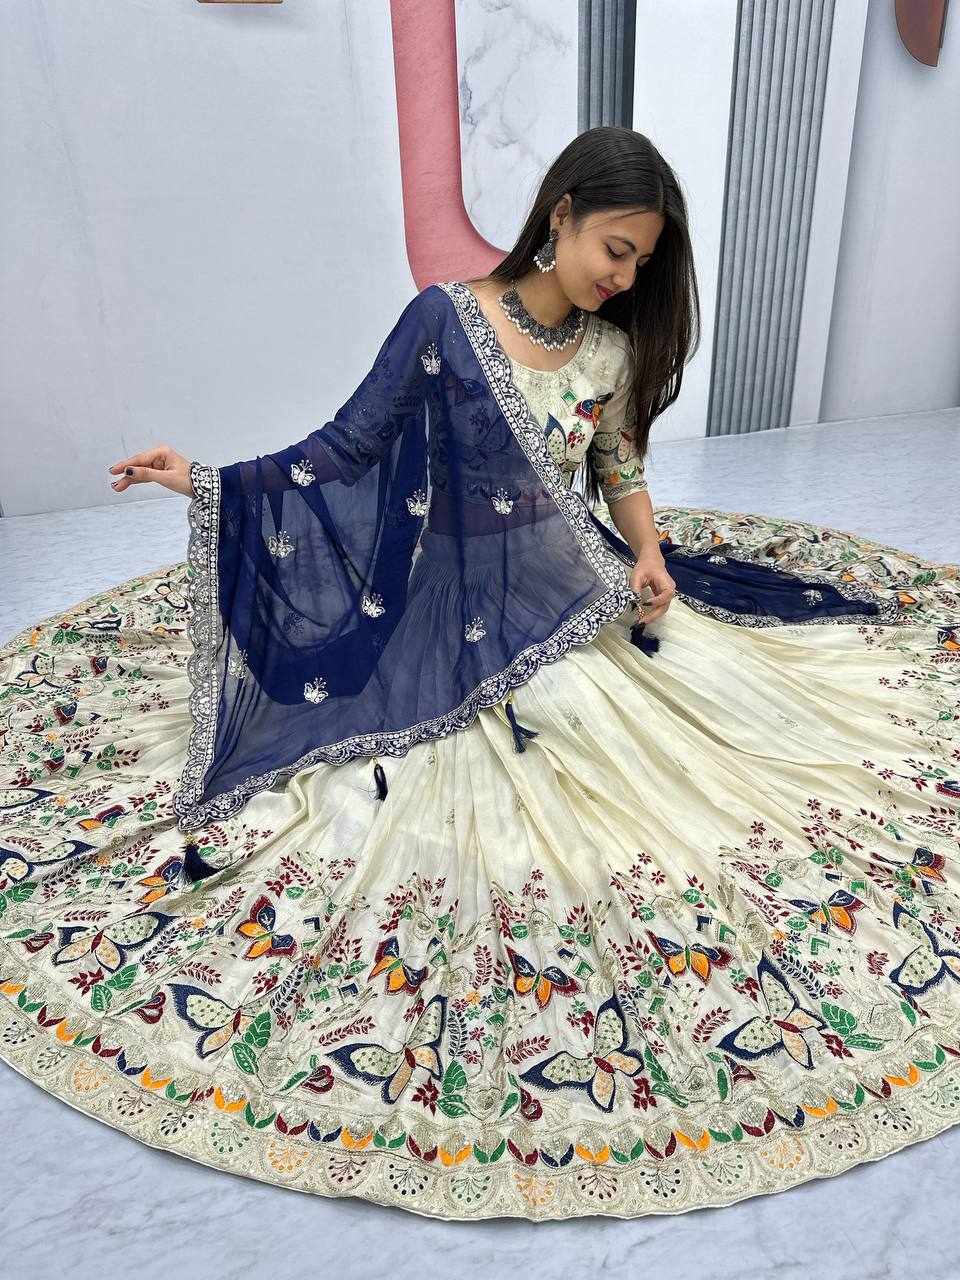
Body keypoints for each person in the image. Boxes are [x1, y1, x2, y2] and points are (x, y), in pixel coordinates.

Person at [1, 126, 958, 1224]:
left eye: (641, 261)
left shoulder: (608, 352)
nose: (623, 276)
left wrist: (648, 554)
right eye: (614, 248)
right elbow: (343, 449)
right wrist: (207, 481)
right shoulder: (445, 321)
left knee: (711, 742)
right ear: (560, 215)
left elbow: (619, 468)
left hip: (565, 594)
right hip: (441, 602)